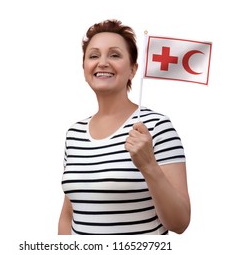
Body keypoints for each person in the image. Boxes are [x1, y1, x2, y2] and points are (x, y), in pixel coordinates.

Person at [58, 19, 190, 235]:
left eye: (115, 55)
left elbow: (180, 223)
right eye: (93, 56)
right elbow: (68, 215)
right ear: (84, 68)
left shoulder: (156, 126)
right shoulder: (74, 134)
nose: (102, 62)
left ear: (132, 69)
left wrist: (149, 165)